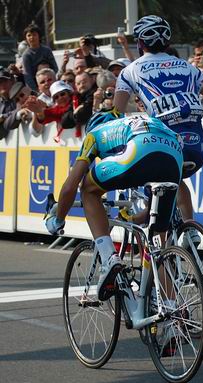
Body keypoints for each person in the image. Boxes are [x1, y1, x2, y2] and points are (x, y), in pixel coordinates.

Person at [114, 15, 203, 234]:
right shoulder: (189, 68)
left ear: (140, 43)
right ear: (168, 42)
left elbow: (115, 114)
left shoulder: (129, 71)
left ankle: (160, 252)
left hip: (162, 146)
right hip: (197, 148)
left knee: (156, 187)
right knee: (174, 180)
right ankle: (190, 231)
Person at [45, 111, 183, 301]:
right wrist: (136, 218)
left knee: (87, 189)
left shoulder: (95, 134)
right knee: (157, 247)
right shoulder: (133, 121)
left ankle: (109, 257)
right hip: (174, 154)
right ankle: (174, 315)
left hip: (140, 149)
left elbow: (70, 186)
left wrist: (57, 219)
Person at [21, 24, 58, 91]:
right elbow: (27, 76)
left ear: (39, 36)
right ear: (26, 38)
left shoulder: (47, 50)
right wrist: (36, 90)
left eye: (34, 34)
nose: (32, 37)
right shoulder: (26, 55)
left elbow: (55, 68)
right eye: (29, 35)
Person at [0, 69, 17, 139]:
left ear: (12, 82)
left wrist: (3, 116)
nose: (3, 84)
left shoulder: (20, 96)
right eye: (0, 82)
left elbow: (22, 108)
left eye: (5, 81)